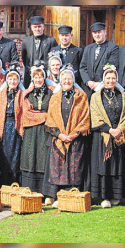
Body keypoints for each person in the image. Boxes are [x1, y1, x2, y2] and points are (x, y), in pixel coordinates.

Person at [43, 69, 90, 207]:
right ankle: (55, 195)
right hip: (59, 139)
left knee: (74, 168)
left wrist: (74, 134)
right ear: (61, 81)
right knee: (57, 168)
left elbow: (85, 118)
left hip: (76, 139)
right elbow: (50, 119)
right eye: (64, 79)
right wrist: (60, 135)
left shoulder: (82, 96)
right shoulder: (55, 97)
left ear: (73, 80)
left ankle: (71, 195)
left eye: (69, 79)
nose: (67, 81)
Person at [88, 66, 125, 208]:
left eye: (113, 78)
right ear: (103, 79)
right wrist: (109, 130)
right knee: (103, 166)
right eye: (108, 78)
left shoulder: (122, 95)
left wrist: (119, 129)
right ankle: (104, 197)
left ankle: (116, 196)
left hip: (118, 136)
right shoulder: (96, 96)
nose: (111, 81)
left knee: (116, 166)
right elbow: (95, 117)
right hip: (102, 137)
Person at [20, 65, 57, 201]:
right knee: (30, 157)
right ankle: (30, 191)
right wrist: (44, 116)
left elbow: (53, 112)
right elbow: (26, 114)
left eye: (41, 76)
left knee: (44, 158)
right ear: (32, 78)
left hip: (45, 131)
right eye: (36, 77)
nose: (38, 79)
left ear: (44, 78)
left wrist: (43, 116)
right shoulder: (27, 94)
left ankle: (46, 193)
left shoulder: (51, 93)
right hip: (31, 132)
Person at [0, 66, 23, 186]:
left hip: (16, 129)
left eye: (15, 79)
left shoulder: (22, 95)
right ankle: (2, 185)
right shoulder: (1, 95)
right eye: (10, 79)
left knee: (15, 158)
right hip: (2, 129)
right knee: (3, 157)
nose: (13, 81)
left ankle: (14, 184)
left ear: (18, 81)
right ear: (7, 80)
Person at [79, 22, 119, 97]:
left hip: (104, 88)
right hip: (89, 89)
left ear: (105, 32)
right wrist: (88, 81)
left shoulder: (113, 48)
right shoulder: (88, 48)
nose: (97, 35)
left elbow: (112, 67)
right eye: (94, 33)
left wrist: (100, 83)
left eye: (99, 32)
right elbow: (82, 67)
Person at [21, 16, 58, 88]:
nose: (37, 29)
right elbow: (24, 59)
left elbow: (54, 58)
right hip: (30, 76)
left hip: (46, 76)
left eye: (39, 26)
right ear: (31, 28)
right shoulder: (26, 42)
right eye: (35, 27)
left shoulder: (51, 41)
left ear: (43, 27)